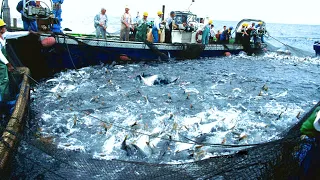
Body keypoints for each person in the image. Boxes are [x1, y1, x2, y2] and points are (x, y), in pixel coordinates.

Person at [0, 19, 35, 101]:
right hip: (1, 61)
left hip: (2, 61)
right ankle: (3, 100)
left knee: (5, 79)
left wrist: (28, 32)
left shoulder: (3, 35)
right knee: (4, 80)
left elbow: (15, 34)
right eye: (3, 27)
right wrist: (8, 64)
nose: (5, 28)